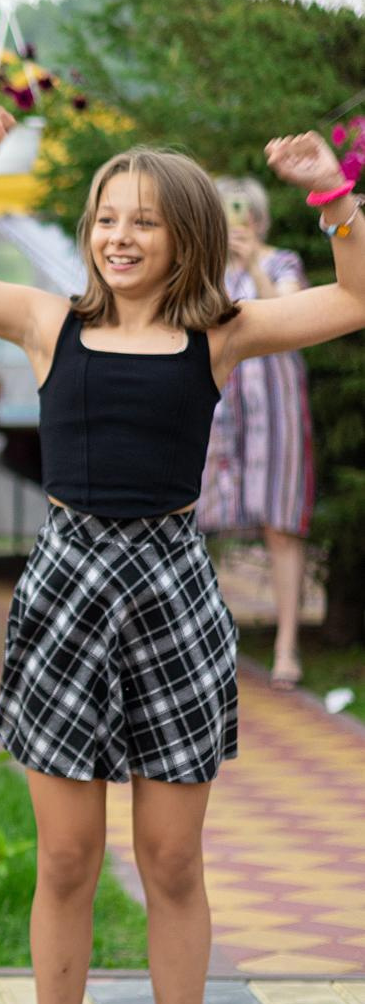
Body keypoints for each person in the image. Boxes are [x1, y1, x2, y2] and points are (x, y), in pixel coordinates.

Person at [0, 99, 363, 1004]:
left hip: (173, 595)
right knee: (65, 862)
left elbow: (354, 296)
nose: (121, 236)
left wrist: (330, 193)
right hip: (65, 587)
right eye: (107, 216)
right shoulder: (49, 320)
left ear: (186, 234)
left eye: (145, 221)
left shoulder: (220, 334)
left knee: (172, 862)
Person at [200, 175, 314, 688]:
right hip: (217, 411)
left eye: (241, 211)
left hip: (277, 414)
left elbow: (294, 318)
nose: (235, 220)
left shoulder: (280, 262)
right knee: (199, 521)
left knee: (280, 525)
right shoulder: (206, 273)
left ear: (258, 217)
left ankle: (287, 647)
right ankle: (202, 643)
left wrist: (252, 269)